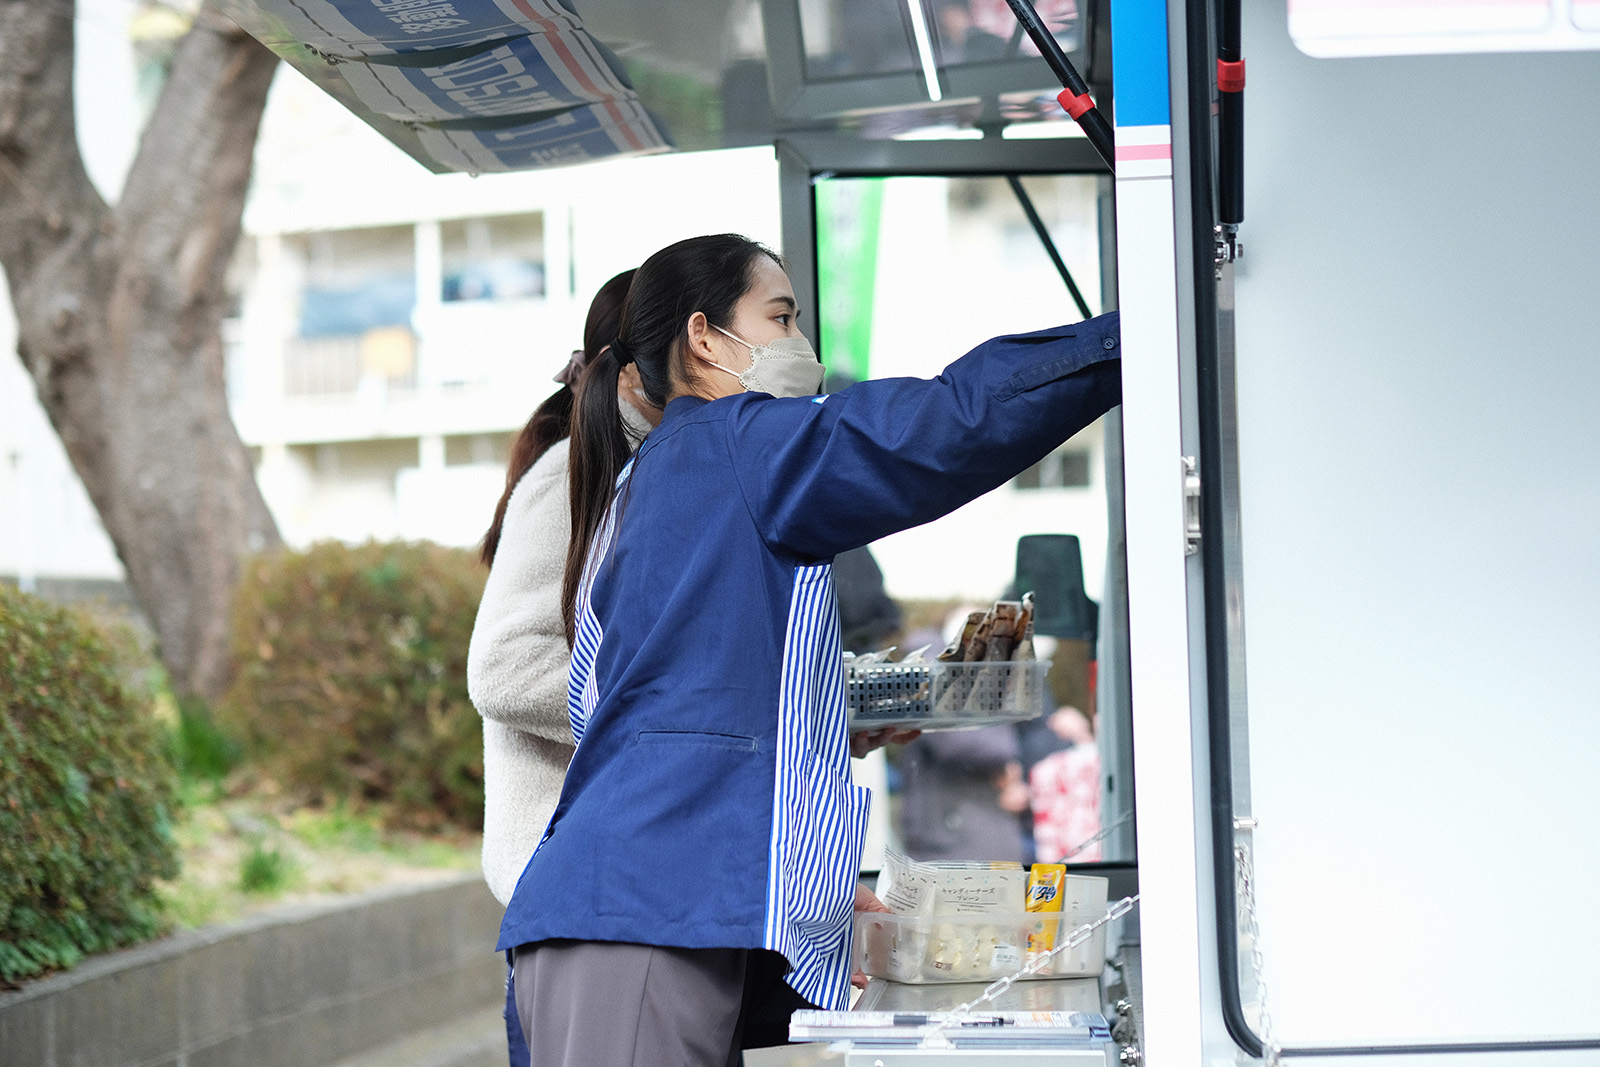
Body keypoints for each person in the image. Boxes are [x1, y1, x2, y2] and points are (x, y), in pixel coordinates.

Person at [498, 233, 1121, 1066]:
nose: (802, 346)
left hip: (630, 913)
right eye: (781, 316)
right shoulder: (735, 441)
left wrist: (819, 771)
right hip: (645, 915)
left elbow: (658, 704)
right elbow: (941, 427)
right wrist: (1126, 339)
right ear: (705, 337)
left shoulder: (649, 480)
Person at [466, 269, 652, 1065]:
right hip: (575, 893)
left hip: (616, 890)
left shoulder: (641, 470)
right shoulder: (571, 471)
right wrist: (654, 712)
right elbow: (503, 665)